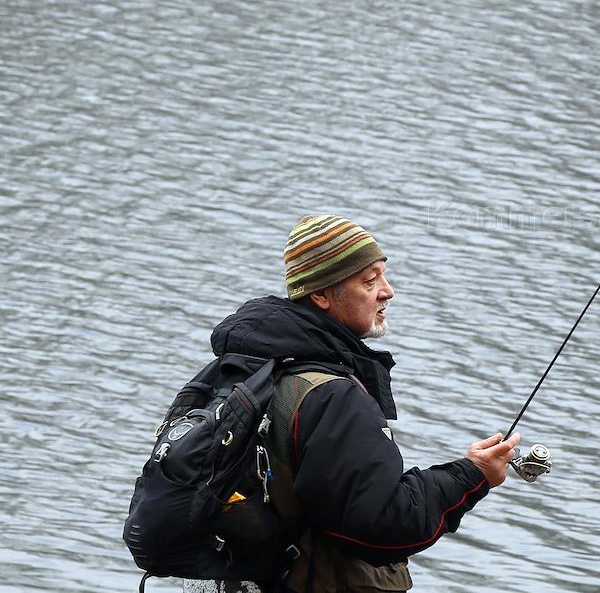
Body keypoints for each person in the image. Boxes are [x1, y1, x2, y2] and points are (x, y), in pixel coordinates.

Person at [209, 214, 519, 591]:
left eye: (383, 276)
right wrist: (471, 476)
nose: (388, 291)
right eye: (369, 281)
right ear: (320, 295)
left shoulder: (245, 366)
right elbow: (383, 527)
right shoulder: (332, 396)